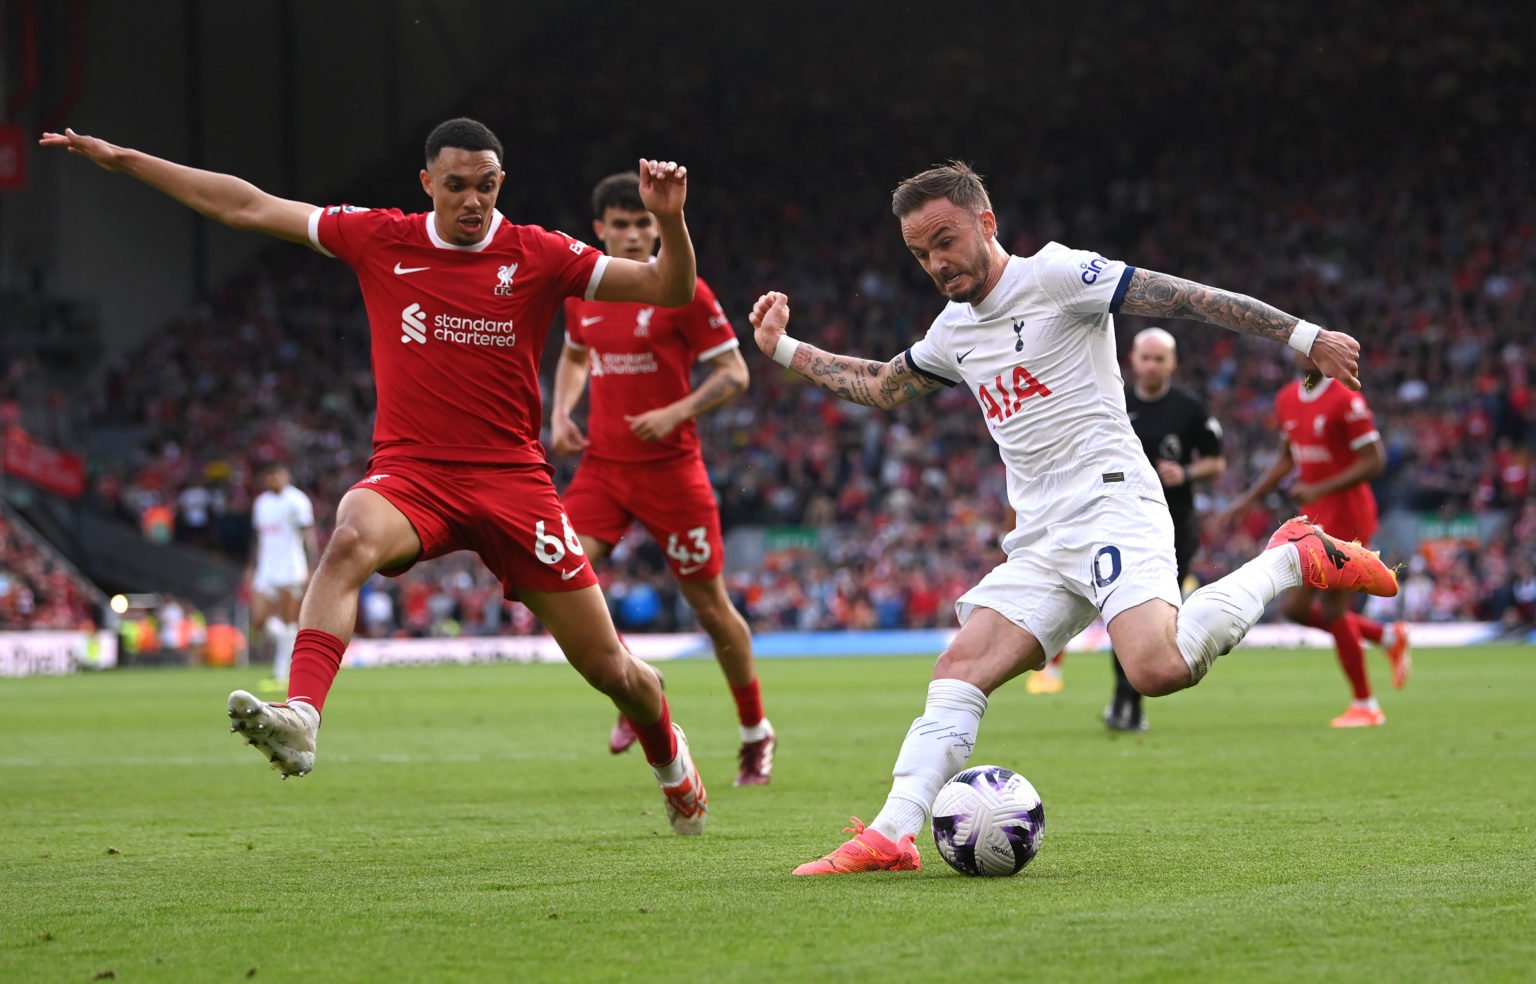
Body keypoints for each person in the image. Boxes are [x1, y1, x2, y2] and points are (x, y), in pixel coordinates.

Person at [42, 119, 711, 835]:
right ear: (427, 183)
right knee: (350, 535)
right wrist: (125, 160)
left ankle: (672, 759)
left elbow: (669, 290)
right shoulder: (380, 236)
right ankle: (301, 717)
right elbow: (246, 206)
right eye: (455, 186)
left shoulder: (541, 253)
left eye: (485, 187)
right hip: (413, 473)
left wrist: (670, 218)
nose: (471, 201)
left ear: (500, 186)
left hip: (515, 482)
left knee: (614, 671)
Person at [747, 162, 1398, 875]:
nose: (936, 262)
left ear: (985, 223)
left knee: (1155, 667)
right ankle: (892, 832)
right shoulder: (954, 332)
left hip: (1114, 500)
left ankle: (1289, 554)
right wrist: (783, 348)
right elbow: (878, 384)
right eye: (919, 253)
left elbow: (1182, 299)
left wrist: (1303, 335)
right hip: (1041, 535)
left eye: (944, 240)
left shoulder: (1057, 276)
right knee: (959, 665)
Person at [550, 172, 775, 785]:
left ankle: (756, 732)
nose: (630, 234)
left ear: (656, 227)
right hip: (603, 467)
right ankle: (635, 683)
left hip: (673, 471)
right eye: (619, 225)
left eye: (641, 224)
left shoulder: (685, 292)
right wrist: (561, 410)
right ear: (600, 229)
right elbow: (574, 352)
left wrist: (674, 412)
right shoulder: (582, 291)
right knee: (556, 579)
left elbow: (734, 374)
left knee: (708, 606)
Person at [1025, 327, 1226, 725]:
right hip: (1117, 525)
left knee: (1154, 619)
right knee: (1123, 612)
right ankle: (1125, 702)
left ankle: (1129, 702)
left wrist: (1185, 472)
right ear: (1131, 360)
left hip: (1173, 526)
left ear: (1173, 363)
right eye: (1145, 357)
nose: (1151, 365)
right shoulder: (1112, 403)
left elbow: (1216, 462)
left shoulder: (1190, 410)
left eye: (1159, 359)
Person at [1218, 351, 1411, 727]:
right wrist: (1246, 501)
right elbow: (1287, 457)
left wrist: (1319, 485)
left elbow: (1375, 460)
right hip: (1317, 518)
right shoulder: (1288, 397)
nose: (1305, 353)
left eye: (1313, 347)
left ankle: (1367, 705)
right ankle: (1385, 636)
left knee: (1334, 612)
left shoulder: (1346, 400)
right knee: (1296, 610)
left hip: (1350, 516)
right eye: (1298, 345)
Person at [247, 462, 318, 691]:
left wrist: (311, 567)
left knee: (289, 620)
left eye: (278, 475)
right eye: (270, 476)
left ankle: (281, 674)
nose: (274, 479)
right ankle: (294, 649)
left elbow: (308, 536)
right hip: (267, 568)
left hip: (290, 567)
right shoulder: (261, 503)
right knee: (258, 620)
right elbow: (258, 537)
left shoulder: (297, 501)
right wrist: (253, 565)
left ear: (286, 475)